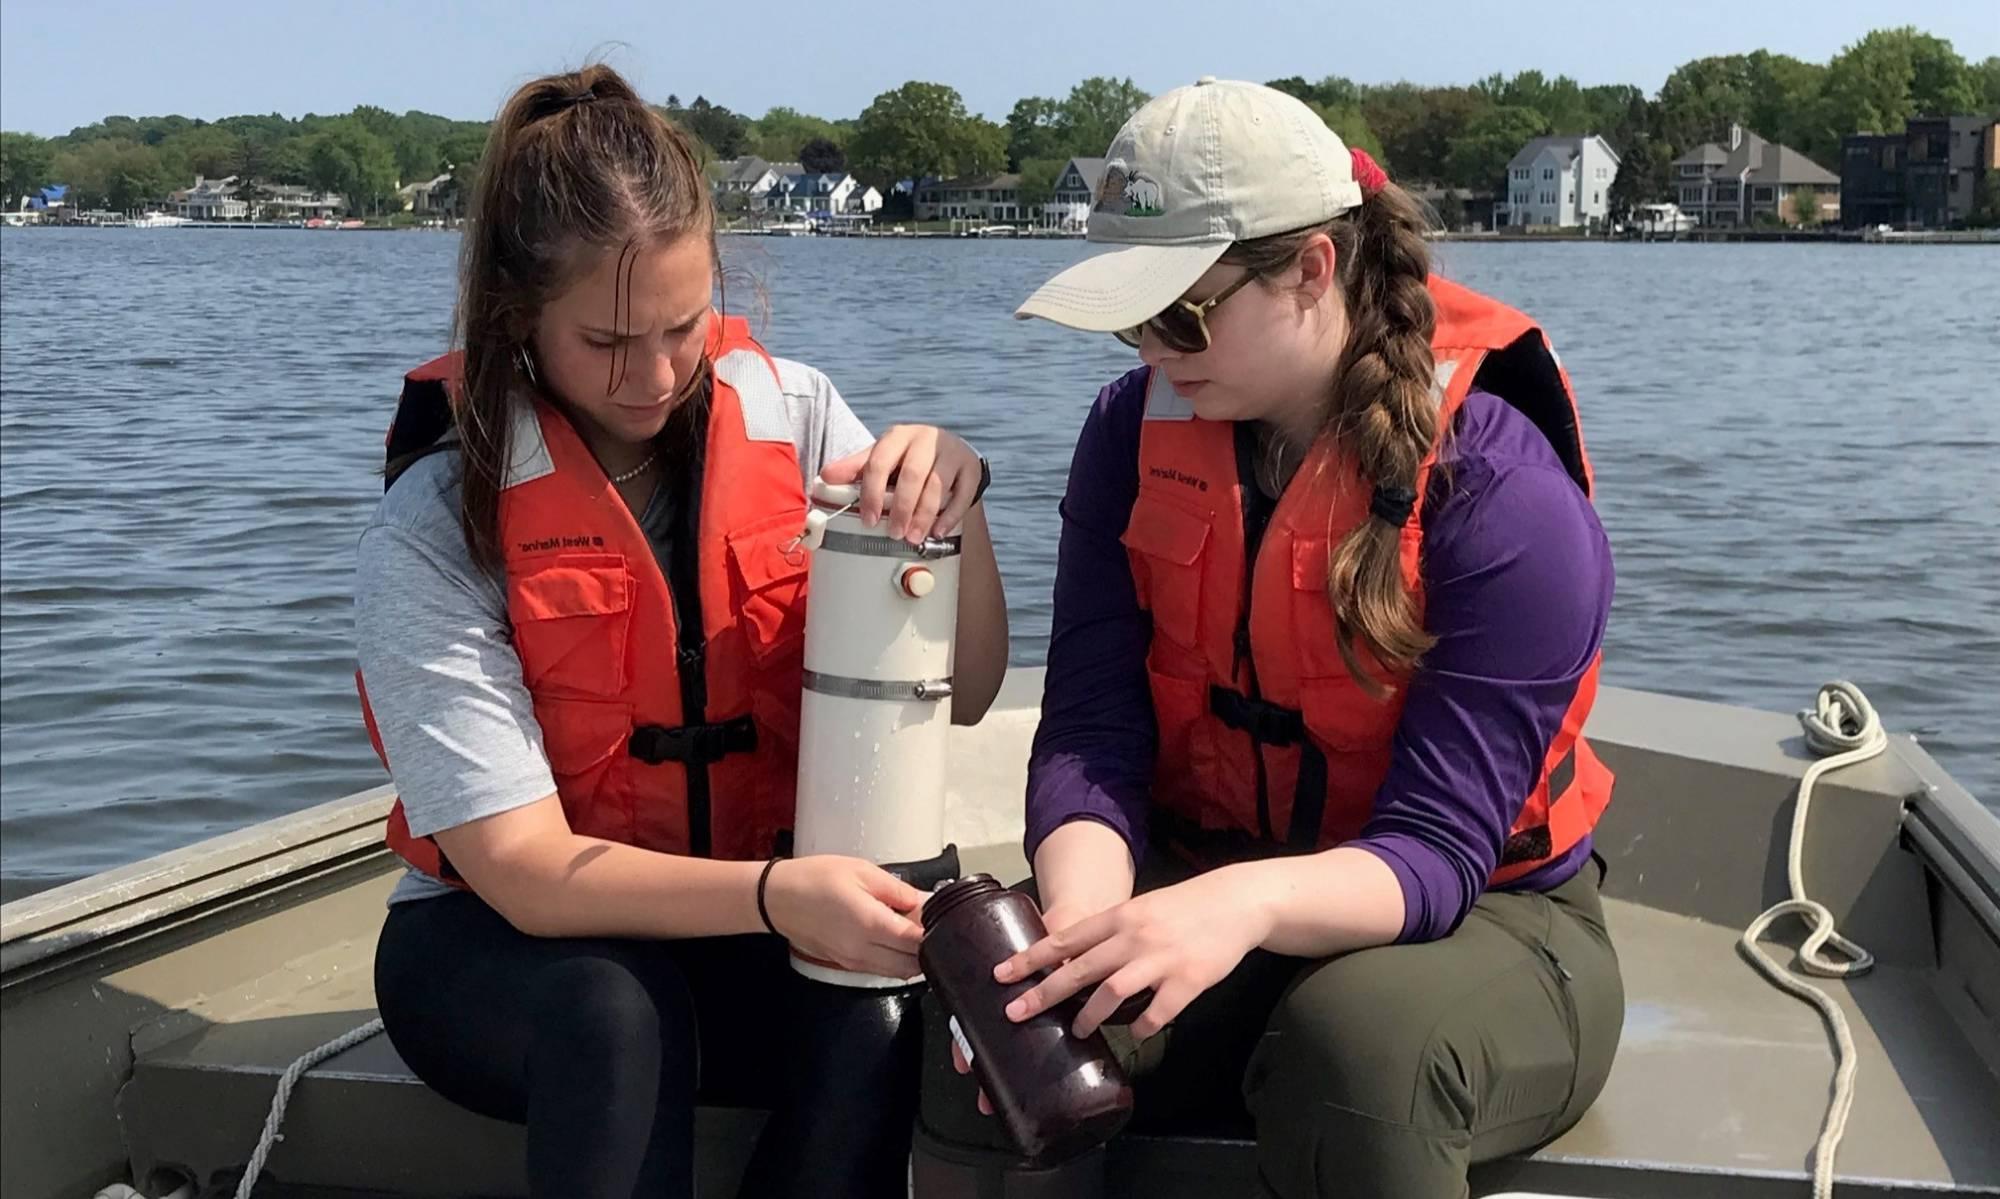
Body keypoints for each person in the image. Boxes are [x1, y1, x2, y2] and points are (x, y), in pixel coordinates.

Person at [915, 77, 1622, 1199]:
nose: (1152, 348)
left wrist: (1236, 907)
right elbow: (1092, 732)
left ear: (1311, 268)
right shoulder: (1124, 434)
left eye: (1182, 312)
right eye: (1129, 315)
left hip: (1486, 919)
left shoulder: (1504, 498)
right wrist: (1086, 914)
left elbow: (1438, 853)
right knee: (1003, 1019)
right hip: (1202, 874)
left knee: (1359, 1049)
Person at [354, 64, 1009, 1199]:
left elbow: (968, 688)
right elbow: (522, 872)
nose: (655, 374)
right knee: (616, 1011)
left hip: (765, 918)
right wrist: (774, 896)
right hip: (509, 947)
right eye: (609, 340)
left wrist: (961, 505)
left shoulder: (797, 417)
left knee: (889, 1009)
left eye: (681, 325)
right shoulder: (436, 518)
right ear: (520, 314)